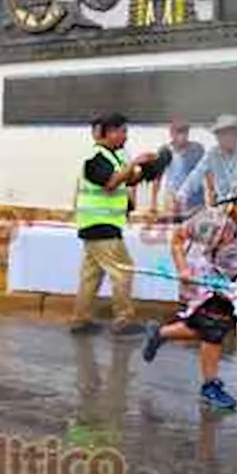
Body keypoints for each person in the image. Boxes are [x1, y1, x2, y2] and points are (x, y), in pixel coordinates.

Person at [142, 194, 237, 411]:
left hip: (221, 279)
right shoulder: (211, 221)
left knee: (214, 325)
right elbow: (178, 238)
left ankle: (162, 333)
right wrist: (182, 268)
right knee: (213, 326)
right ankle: (210, 385)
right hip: (197, 273)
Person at [71, 113, 155, 335]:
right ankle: (123, 320)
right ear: (109, 133)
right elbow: (111, 182)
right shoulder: (95, 157)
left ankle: (81, 319)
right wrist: (135, 163)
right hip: (101, 224)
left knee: (91, 274)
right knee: (123, 271)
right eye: (122, 131)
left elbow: (128, 178)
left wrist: (146, 169)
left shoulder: (112, 156)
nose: (125, 136)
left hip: (98, 224)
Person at [176, 114, 237, 212]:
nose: (226, 138)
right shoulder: (212, 154)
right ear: (217, 136)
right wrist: (181, 195)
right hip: (223, 208)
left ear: (236, 134)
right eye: (222, 134)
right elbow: (196, 174)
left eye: (229, 133)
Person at [151, 120, 204, 217]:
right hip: (173, 200)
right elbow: (157, 178)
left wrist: (211, 197)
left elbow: (207, 173)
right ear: (171, 133)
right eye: (178, 132)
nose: (182, 136)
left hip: (195, 201)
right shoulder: (165, 150)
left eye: (185, 131)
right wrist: (153, 204)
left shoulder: (197, 149)